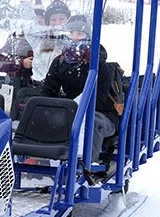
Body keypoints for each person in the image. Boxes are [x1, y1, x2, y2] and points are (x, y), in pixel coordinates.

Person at [40, 15, 118, 166]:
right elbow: (48, 90)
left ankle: (87, 166)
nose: (75, 38)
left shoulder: (99, 65)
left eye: (80, 34)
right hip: (70, 110)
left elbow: (100, 101)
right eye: (72, 33)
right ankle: (42, 160)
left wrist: (74, 108)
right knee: (44, 112)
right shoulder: (60, 61)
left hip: (101, 114)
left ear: (88, 37)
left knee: (90, 121)